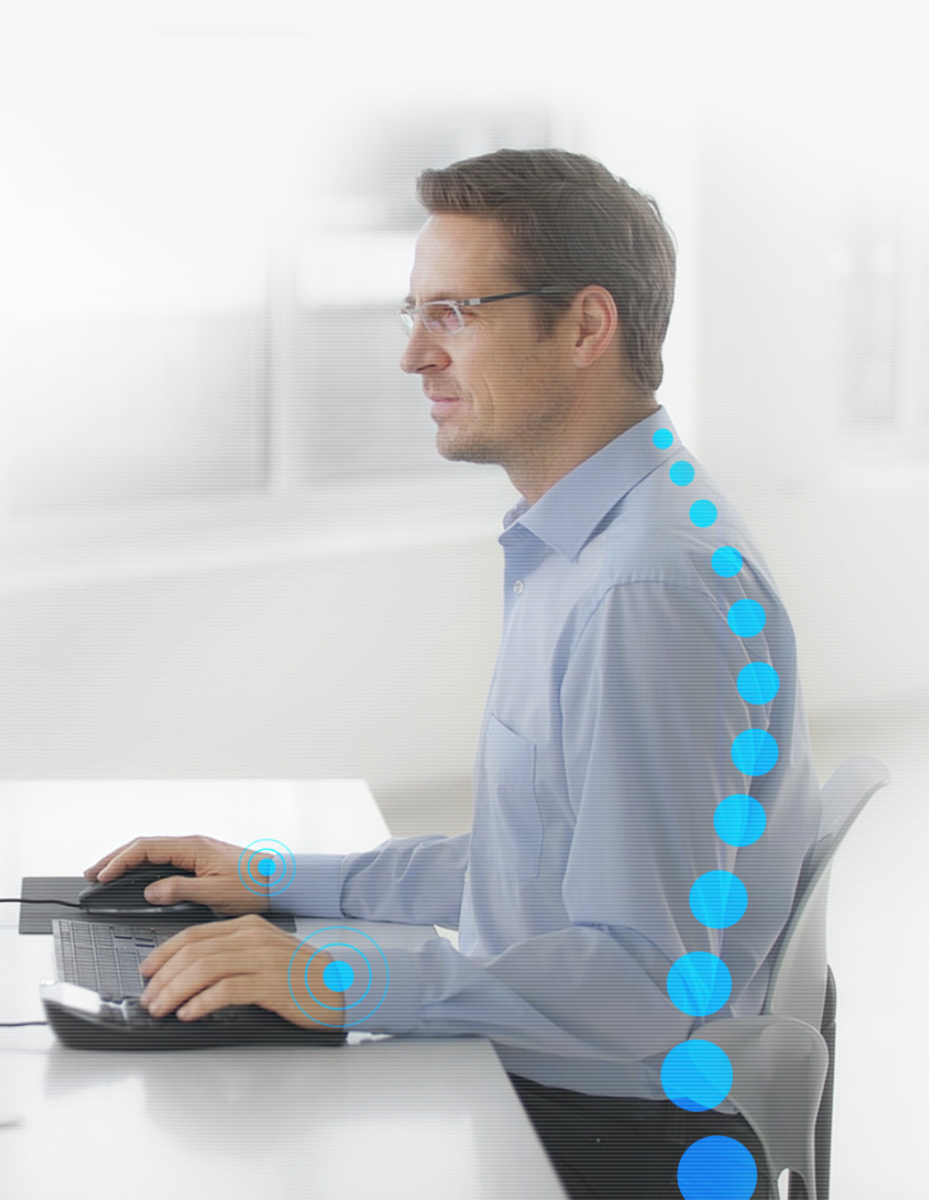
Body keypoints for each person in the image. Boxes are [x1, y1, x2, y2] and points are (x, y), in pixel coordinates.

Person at [83, 148, 815, 1199]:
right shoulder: (589, 545)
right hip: (566, 1087)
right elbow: (540, 864)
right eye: (413, 312)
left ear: (585, 327)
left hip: (605, 1138)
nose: (413, 355)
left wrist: (332, 972)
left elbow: (645, 986)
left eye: (455, 313)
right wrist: (279, 880)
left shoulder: (643, 587)